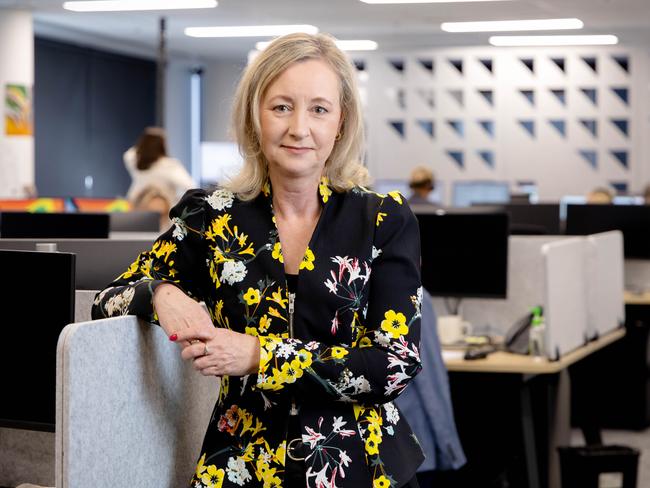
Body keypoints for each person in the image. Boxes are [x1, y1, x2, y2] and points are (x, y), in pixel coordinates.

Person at [92, 32, 424, 488]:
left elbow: (394, 364)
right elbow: (108, 297)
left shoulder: (383, 217)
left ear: (340, 123)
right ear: (254, 117)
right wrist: (162, 294)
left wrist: (258, 355)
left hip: (357, 467)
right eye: (281, 107)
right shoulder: (213, 216)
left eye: (319, 109)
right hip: (240, 467)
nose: (299, 128)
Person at [123, 126, 195, 205]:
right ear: (162, 145)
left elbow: (131, 152)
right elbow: (190, 186)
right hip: (162, 206)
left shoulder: (133, 160)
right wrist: (178, 200)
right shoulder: (169, 165)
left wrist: (146, 140)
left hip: (137, 203)